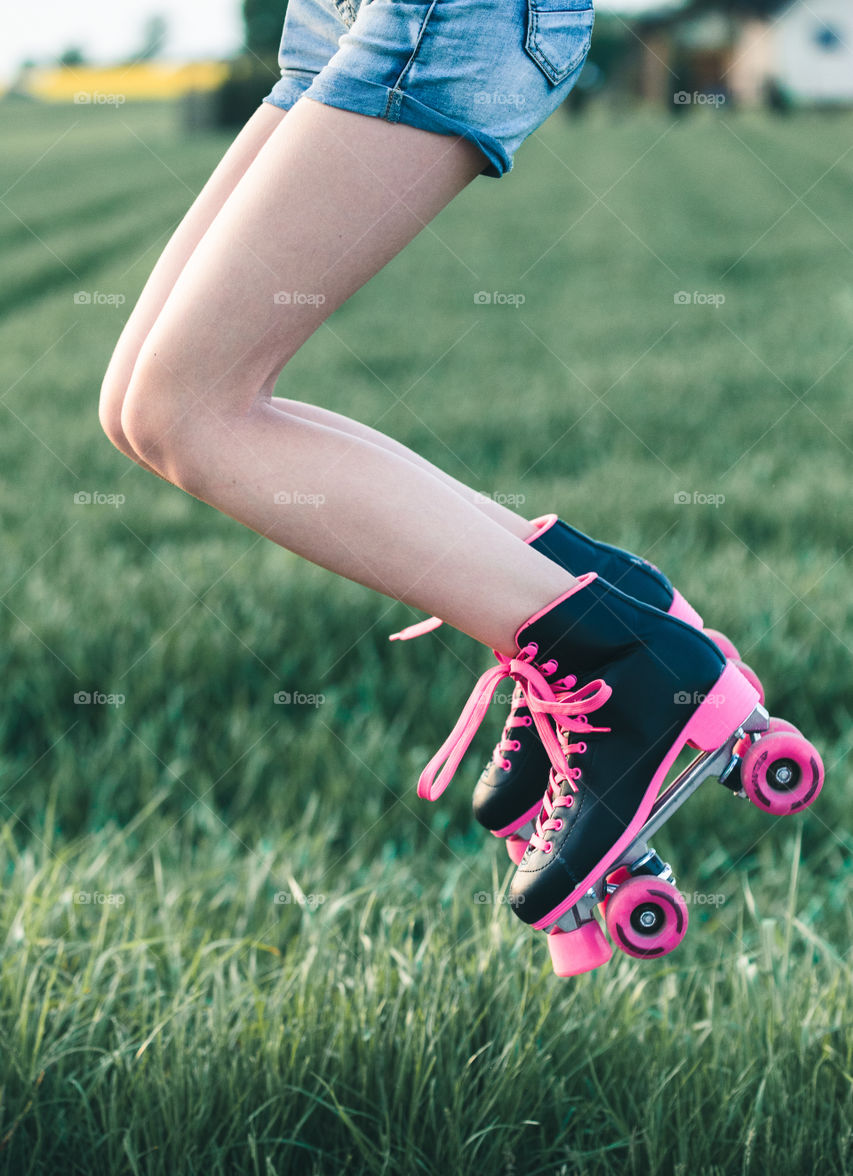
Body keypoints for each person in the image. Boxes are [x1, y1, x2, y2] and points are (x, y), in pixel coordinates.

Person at [99, 0, 759, 963]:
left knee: (188, 410)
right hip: (339, 16)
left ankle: (627, 674)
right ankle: (608, 600)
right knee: (140, 409)